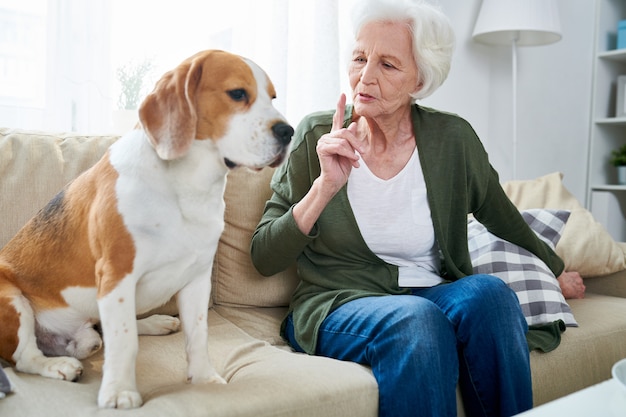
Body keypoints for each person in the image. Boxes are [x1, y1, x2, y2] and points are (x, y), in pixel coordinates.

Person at [251, 0, 585, 416]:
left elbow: (501, 214)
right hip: (339, 301)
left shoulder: (453, 139)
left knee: (492, 296)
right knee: (418, 319)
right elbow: (264, 256)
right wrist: (324, 187)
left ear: (420, 80)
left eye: (388, 65)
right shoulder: (318, 134)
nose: (365, 76)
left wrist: (554, 269)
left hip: (431, 290)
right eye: (359, 58)